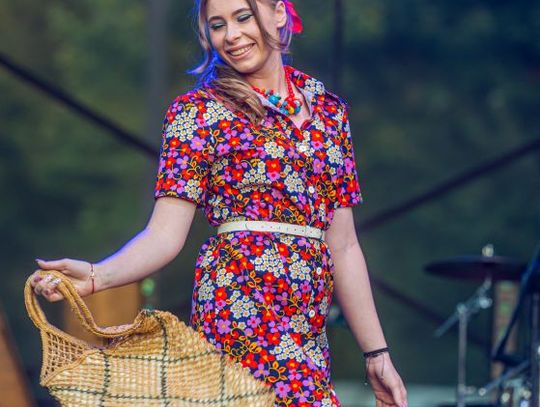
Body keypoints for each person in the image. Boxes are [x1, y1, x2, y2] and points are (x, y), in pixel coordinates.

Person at [30, 0, 408, 406]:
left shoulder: (329, 112)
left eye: (243, 17)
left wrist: (377, 353)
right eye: (217, 25)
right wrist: (97, 276)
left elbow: (345, 245)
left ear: (279, 13)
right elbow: (164, 234)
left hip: (306, 331)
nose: (231, 35)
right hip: (238, 307)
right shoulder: (198, 112)